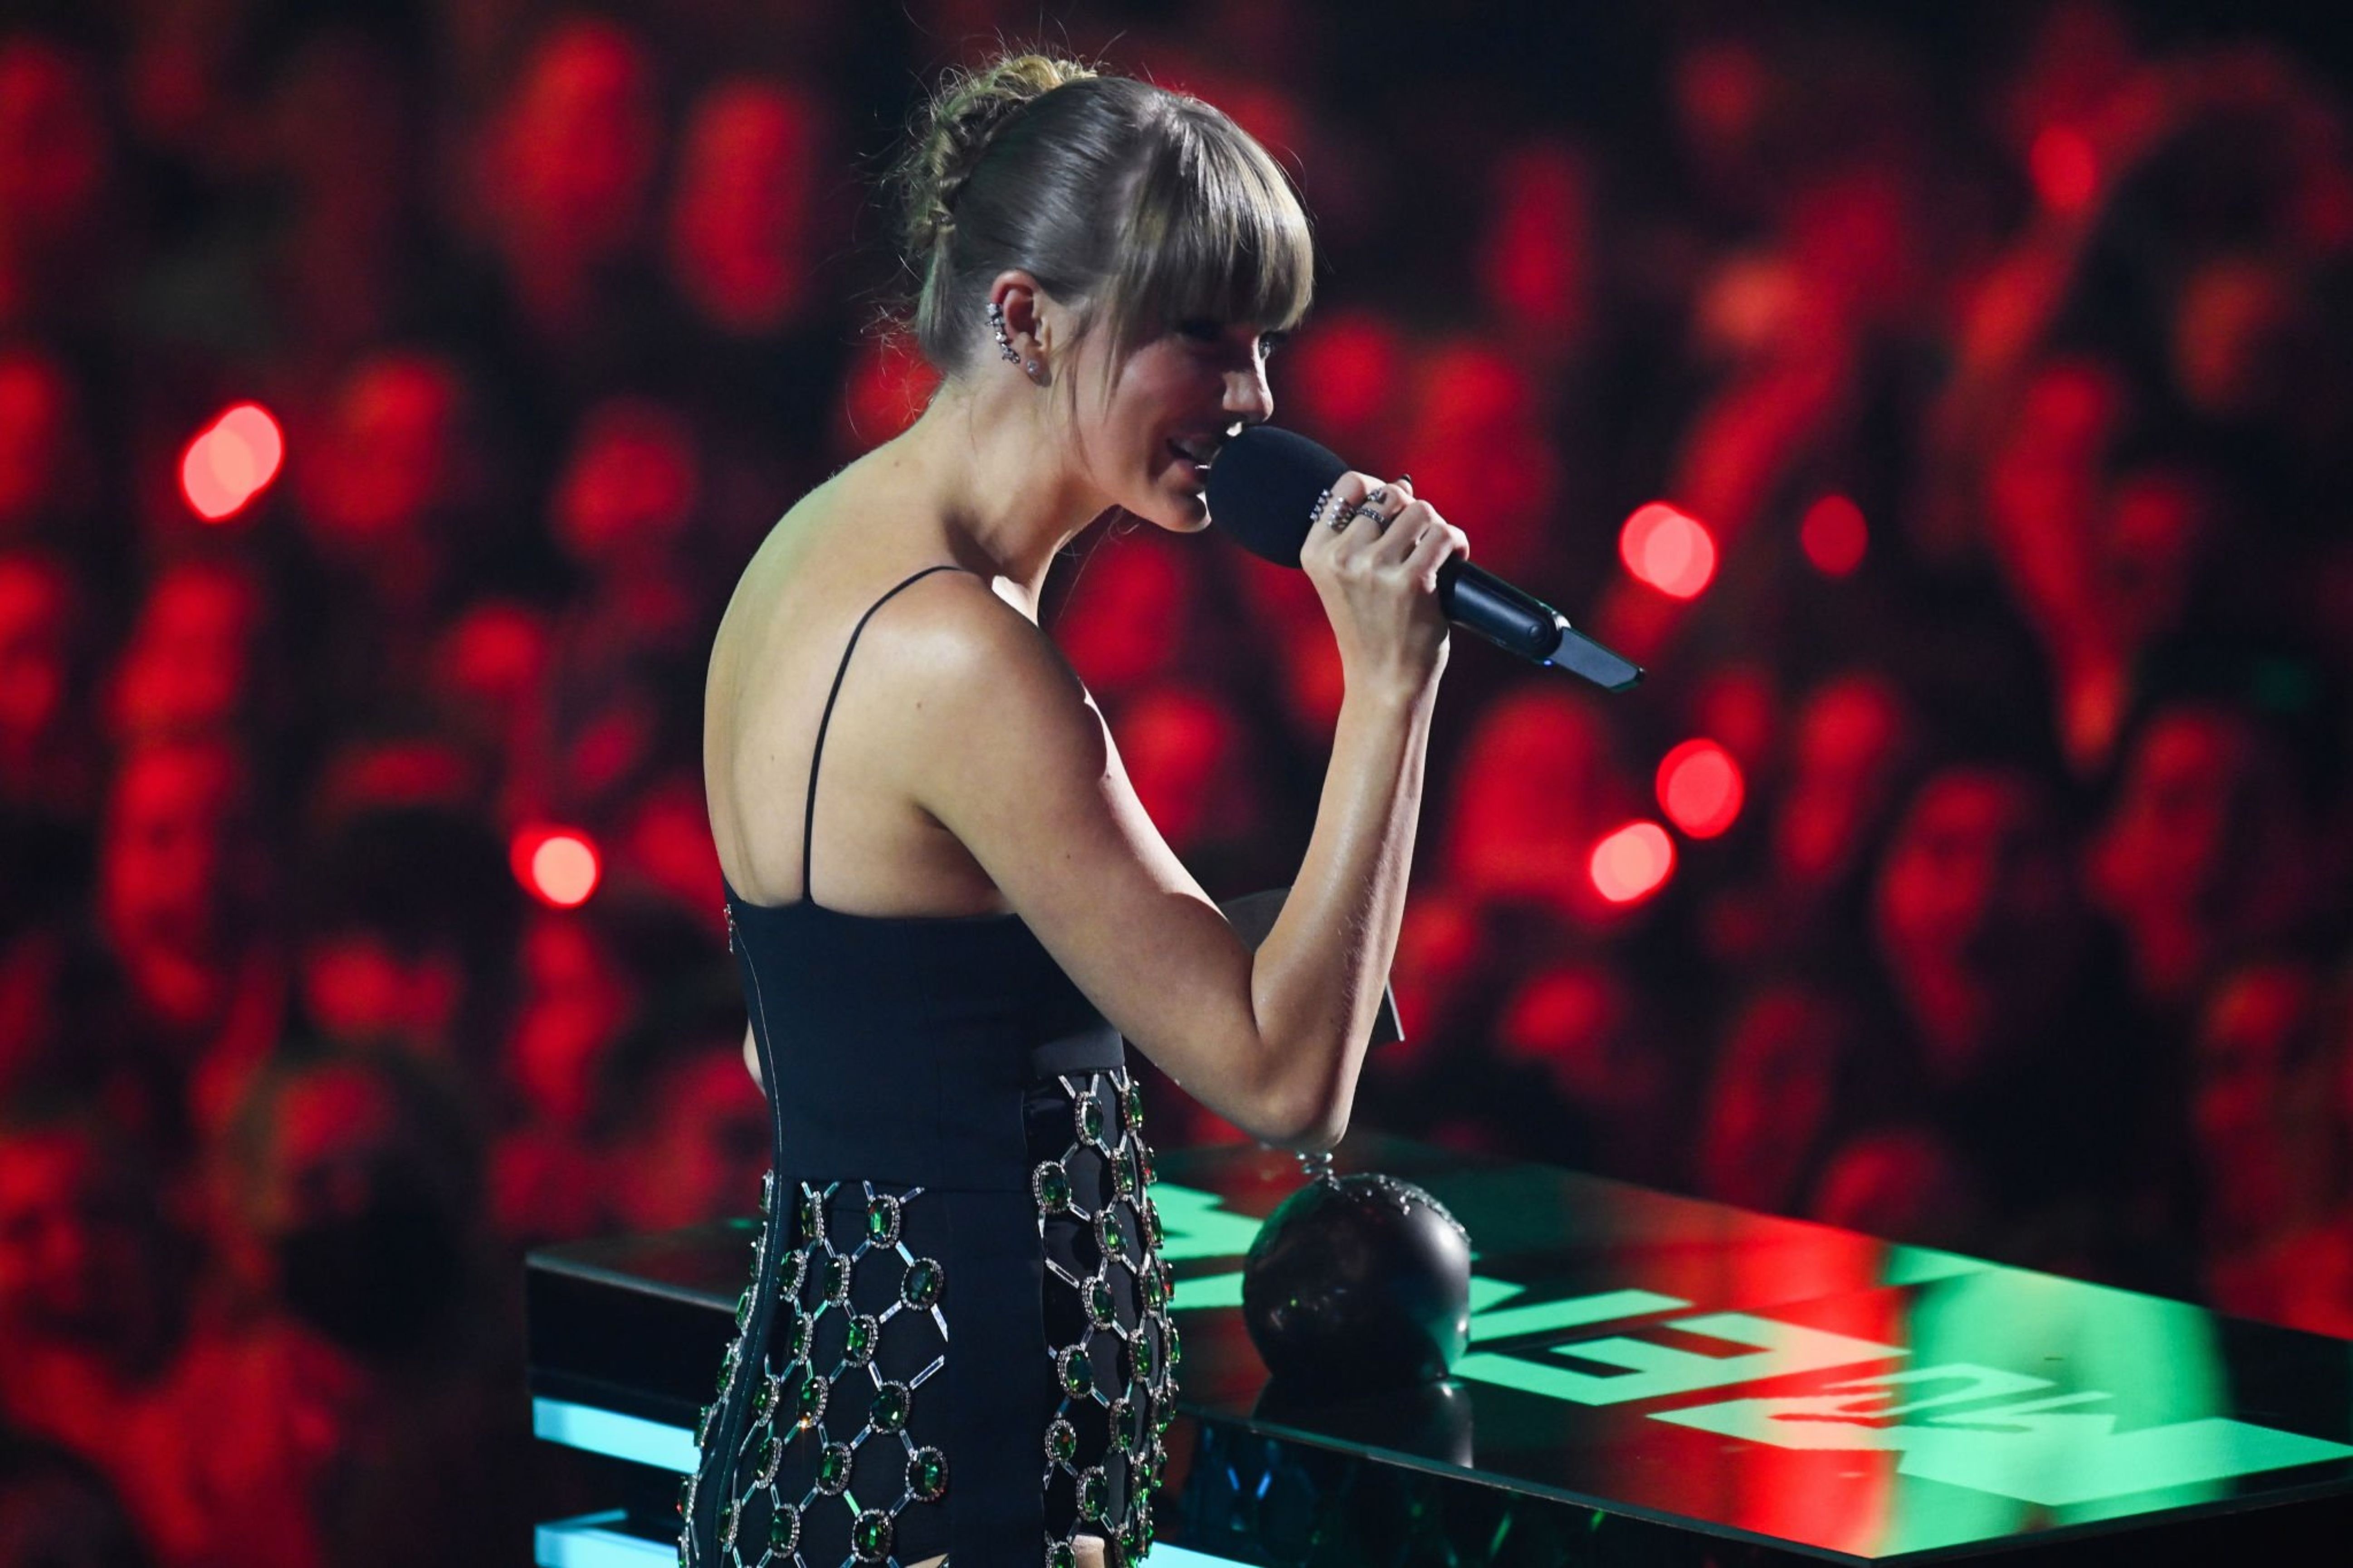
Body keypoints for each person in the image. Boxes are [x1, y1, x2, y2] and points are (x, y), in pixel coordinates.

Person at [687, 53, 1467, 1568]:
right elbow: (1285, 1083)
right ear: (1028, 318)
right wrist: (1389, 682)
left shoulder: (809, 553)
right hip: (956, 1487)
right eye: (1199, 336)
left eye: (1262, 342)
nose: (1252, 397)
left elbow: (815, 1029)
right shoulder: (966, 656)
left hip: (839, 1454)